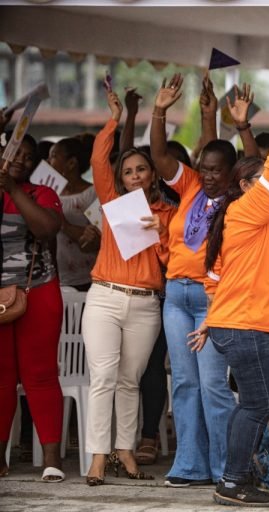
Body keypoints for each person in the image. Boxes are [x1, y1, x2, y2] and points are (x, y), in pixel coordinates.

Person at [186, 77, 269, 508]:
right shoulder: (250, 210)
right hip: (246, 326)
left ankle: (234, 477)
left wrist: (210, 322)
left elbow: (216, 278)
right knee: (259, 402)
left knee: (252, 402)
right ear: (246, 187)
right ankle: (233, 481)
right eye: (262, 183)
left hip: (235, 324)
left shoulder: (250, 219)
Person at [149, 73, 238, 486]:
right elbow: (159, 154)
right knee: (184, 383)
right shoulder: (189, 187)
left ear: (233, 173)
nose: (208, 176)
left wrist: (223, 121)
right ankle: (189, 465)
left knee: (213, 385)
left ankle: (224, 469)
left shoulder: (240, 203)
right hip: (176, 296)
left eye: (217, 171)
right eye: (204, 169)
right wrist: (159, 111)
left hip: (211, 299)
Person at [82, 90, 174, 486]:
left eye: (141, 170)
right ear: (121, 178)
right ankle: (98, 458)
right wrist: (114, 120)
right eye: (128, 171)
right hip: (104, 297)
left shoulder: (166, 212)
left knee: (129, 382)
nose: (135, 176)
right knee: (102, 378)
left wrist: (162, 234)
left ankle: (126, 452)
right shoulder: (111, 201)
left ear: (152, 174)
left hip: (145, 305)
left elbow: (173, 261)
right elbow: (97, 161)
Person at [0, 133, 65, 482]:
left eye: (29, 157)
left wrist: (12, 188)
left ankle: (51, 459)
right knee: (1, 378)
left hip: (37, 290)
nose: (23, 161)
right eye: (16, 154)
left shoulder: (42, 194)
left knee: (39, 375)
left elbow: (46, 229)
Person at [50, 137, 100, 291]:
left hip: (85, 279)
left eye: (53, 156)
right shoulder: (47, 193)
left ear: (71, 163)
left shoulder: (93, 194)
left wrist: (63, 224)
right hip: (54, 278)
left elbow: (99, 239)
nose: (47, 161)